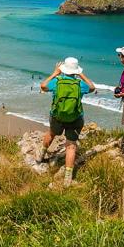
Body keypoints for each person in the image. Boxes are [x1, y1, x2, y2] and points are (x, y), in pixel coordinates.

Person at [39, 57, 97, 186]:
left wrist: (55, 72)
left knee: (52, 133)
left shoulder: (57, 81)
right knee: (71, 145)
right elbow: (92, 88)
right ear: (76, 71)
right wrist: (81, 74)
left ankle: (41, 156)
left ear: (63, 69)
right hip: (75, 118)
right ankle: (67, 178)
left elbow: (42, 86)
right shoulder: (80, 84)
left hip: (57, 117)